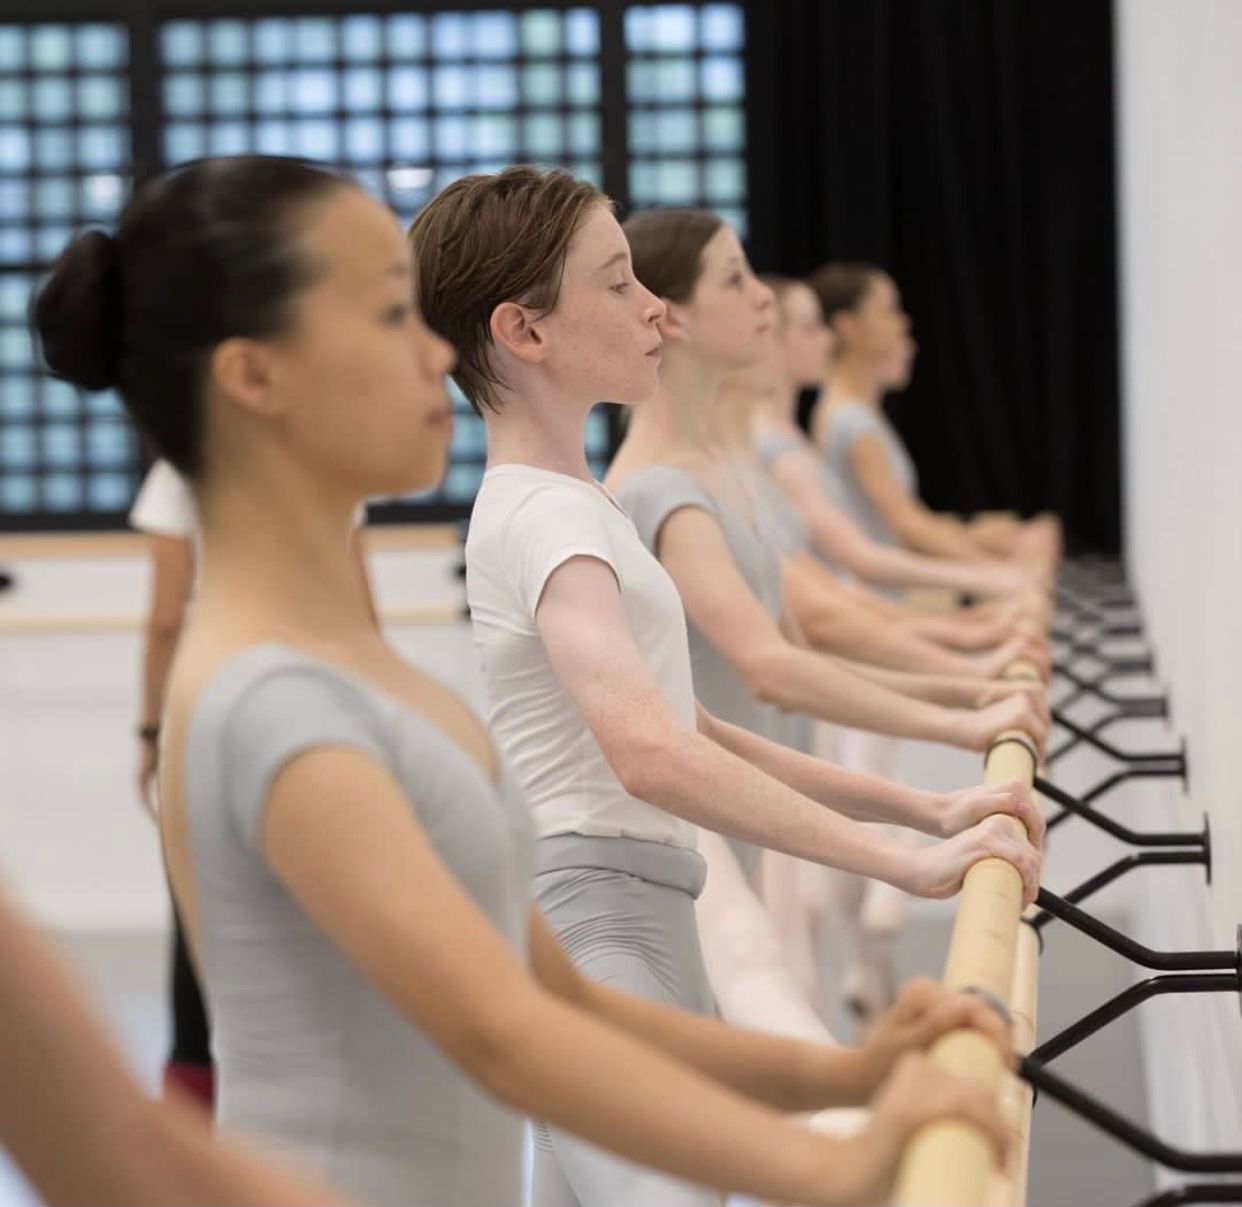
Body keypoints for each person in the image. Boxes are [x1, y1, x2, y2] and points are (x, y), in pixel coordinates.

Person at [32, 155, 1022, 1207]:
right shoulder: (273, 700)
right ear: (254, 377)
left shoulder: (370, 680)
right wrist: (834, 1162)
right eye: (385, 318)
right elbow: (504, 1036)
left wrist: (851, 1075)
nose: (430, 354)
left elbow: (560, 1003)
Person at [411, 165, 1041, 1205]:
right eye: (618, 285)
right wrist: (903, 859)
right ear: (525, 332)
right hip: (602, 916)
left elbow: (695, 723)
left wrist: (926, 810)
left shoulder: (576, 506)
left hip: (641, 909)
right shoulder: (548, 518)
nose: (654, 308)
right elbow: (652, 754)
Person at [128, 457, 377, 1108]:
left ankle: (194, 1127)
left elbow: (164, 618)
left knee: (199, 932)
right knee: (313, 920)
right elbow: (363, 618)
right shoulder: (330, 456)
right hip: (312, 717)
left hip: (205, 713)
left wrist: (151, 733)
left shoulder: (179, 473)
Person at [807, 263, 1060, 567]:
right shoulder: (850, 420)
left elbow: (907, 521)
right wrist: (999, 571)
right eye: (889, 310)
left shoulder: (854, 413)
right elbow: (906, 526)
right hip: (881, 597)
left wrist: (984, 540)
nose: (902, 323)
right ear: (848, 325)